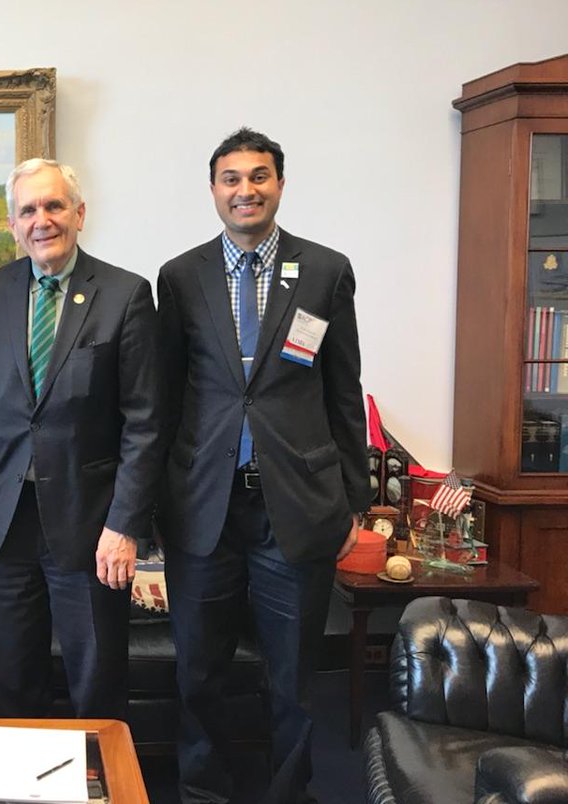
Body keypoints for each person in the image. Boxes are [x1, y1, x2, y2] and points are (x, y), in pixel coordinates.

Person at [157, 128, 368, 803]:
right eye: (231, 178)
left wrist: (355, 503)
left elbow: (342, 389)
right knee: (200, 671)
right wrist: (154, 506)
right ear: (213, 188)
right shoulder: (181, 276)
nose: (244, 190)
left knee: (294, 676)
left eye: (258, 176)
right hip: (203, 506)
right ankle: (204, 792)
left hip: (296, 506)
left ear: (279, 183)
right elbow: (165, 397)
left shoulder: (326, 270)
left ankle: (287, 794)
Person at [0, 158, 161, 718]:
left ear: (79, 213)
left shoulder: (125, 295)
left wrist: (124, 526)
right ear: (12, 224)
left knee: (95, 684)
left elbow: (145, 423)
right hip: (2, 523)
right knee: (8, 683)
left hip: (91, 526)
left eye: (53, 205)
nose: (41, 220)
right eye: (28, 210)